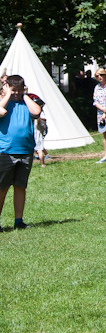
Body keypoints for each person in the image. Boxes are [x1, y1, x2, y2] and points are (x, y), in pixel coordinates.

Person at [0, 75, 44, 230]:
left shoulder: (27, 101)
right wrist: (7, 95)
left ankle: (19, 220)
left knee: (20, 186)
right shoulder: (3, 102)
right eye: (14, 91)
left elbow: (37, 112)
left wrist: (25, 95)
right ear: (7, 89)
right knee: (2, 187)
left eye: (19, 90)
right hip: (5, 151)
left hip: (25, 151)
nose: (16, 94)